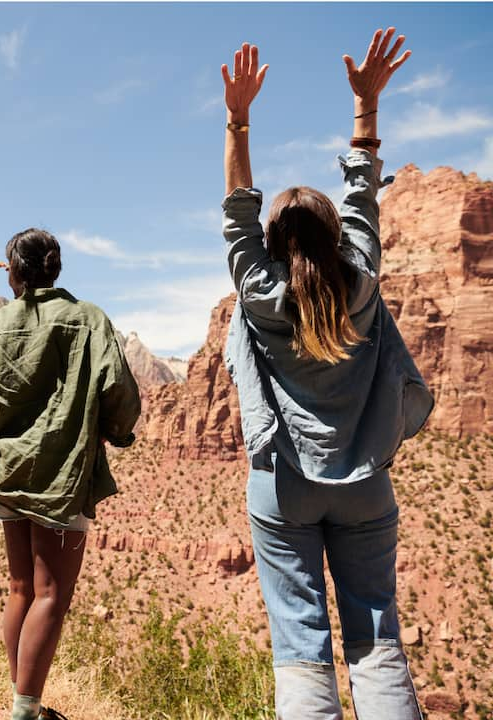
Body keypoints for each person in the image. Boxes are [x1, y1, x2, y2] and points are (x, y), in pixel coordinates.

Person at [221, 29, 433, 719]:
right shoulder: (362, 281)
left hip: (282, 486)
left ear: (273, 245)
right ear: (334, 239)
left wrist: (238, 119)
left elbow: (237, 214)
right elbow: (363, 190)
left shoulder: (257, 289)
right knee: (377, 642)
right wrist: (366, 105)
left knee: (301, 647)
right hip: (367, 484)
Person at [0, 228, 141, 720]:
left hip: (9, 468)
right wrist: (113, 433)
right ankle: (24, 710)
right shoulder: (88, 319)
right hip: (63, 472)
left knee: (20, 589)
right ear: (55, 268)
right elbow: (119, 388)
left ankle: (21, 703)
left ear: (14, 272)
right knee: (51, 594)